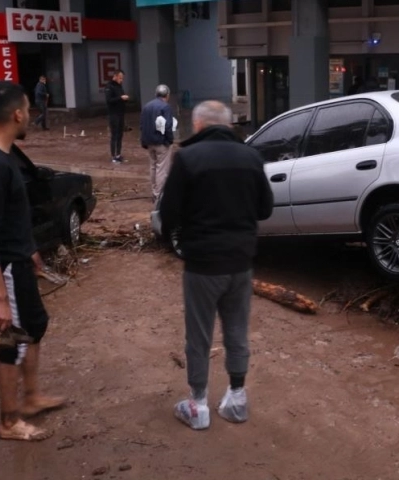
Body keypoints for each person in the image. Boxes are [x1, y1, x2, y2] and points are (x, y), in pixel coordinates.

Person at [0, 81, 65, 442]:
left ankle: (32, 397)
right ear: (17, 114)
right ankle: (8, 422)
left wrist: (30, 249)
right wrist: (0, 298)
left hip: (18, 259)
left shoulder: (1, 155)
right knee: (11, 343)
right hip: (4, 268)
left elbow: (8, 218)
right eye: (29, 110)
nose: (32, 117)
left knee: (34, 326)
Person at [160, 100, 274, 430]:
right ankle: (236, 399)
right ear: (227, 125)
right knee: (237, 332)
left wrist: (181, 241)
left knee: (199, 336)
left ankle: (198, 406)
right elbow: (265, 209)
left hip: (202, 265)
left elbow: (169, 215)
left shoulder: (188, 158)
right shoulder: (251, 156)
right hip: (241, 262)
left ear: (198, 126)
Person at [140, 84, 174, 202]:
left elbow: (142, 125)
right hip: (161, 142)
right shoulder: (165, 107)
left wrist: (144, 141)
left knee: (153, 167)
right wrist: (170, 140)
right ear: (167, 95)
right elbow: (168, 126)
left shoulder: (147, 106)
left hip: (149, 142)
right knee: (162, 169)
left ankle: (155, 192)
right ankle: (159, 195)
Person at [105, 69, 129, 163]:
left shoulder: (119, 86)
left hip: (121, 113)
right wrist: (120, 98)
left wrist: (125, 99)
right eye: (120, 78)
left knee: (120, 134)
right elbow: (109, 100)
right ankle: (113, 156)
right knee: (114, 135)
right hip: (113, 114)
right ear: (115, 76)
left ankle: (118, 154)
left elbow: (121, 97)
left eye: (122, 78)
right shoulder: (109, 86)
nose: (121, 80)